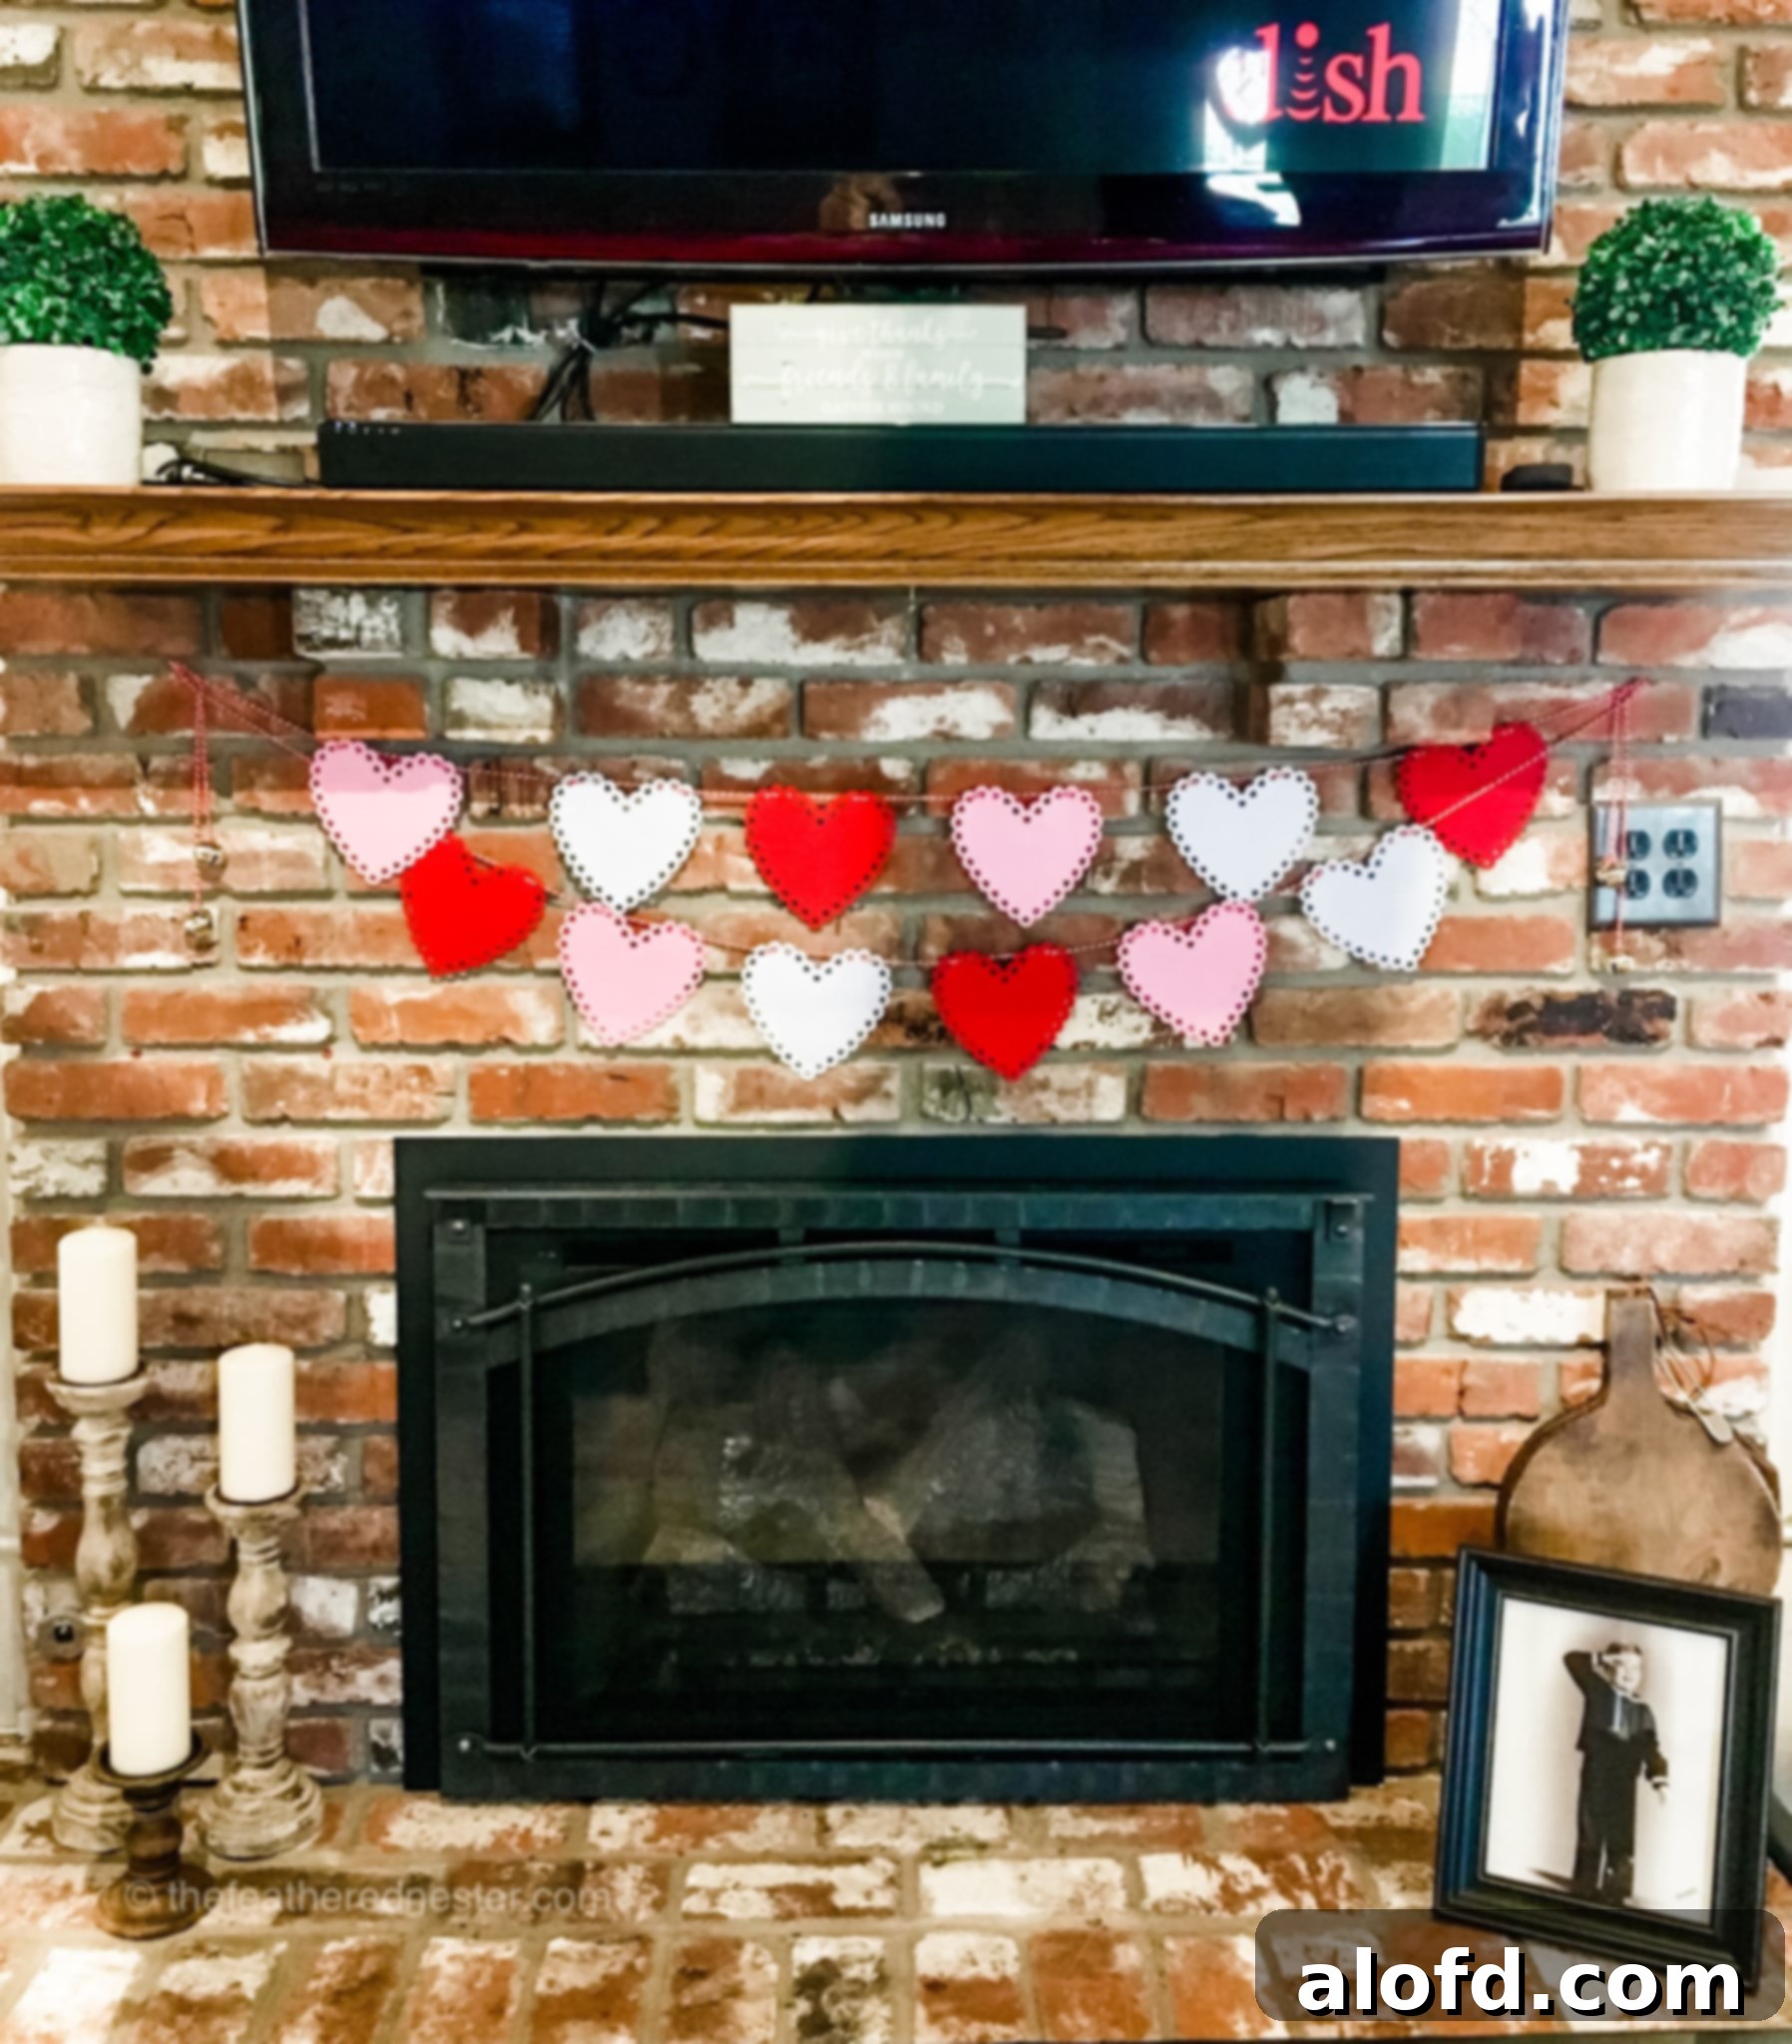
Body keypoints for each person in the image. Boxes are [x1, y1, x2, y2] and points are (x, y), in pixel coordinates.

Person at [1564, 1643, 1668, 1906]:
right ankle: (1584, 1888)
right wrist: (1603, 1656)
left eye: (1635, 1667)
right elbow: (1573, 1660)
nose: (1628, 1672)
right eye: (1621, 1666)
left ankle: (1617, 1891)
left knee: (1621, 1833)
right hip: (1598, 1767)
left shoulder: (1644, 1712)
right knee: (1591, 1829)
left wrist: (1660, 1779)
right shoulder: (1597, 1691)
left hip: (1625, 1774)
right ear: (1608, 1670)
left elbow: (1651, 1748)